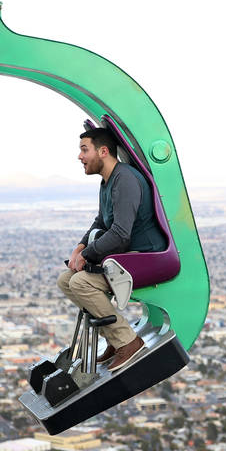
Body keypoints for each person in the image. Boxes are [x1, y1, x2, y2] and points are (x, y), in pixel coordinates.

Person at [57, 127, 165, 371]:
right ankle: (116, 340)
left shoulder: (124, 179)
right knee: (66, 280)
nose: (80, 157)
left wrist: (87, 256)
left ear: (103, 151)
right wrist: (80, 248)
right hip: (127, 256)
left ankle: (128, 342)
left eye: (85, 150)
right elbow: (101, 222)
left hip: (145, 255)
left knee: (81, 283)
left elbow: (120, 234)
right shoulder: (108, 181)